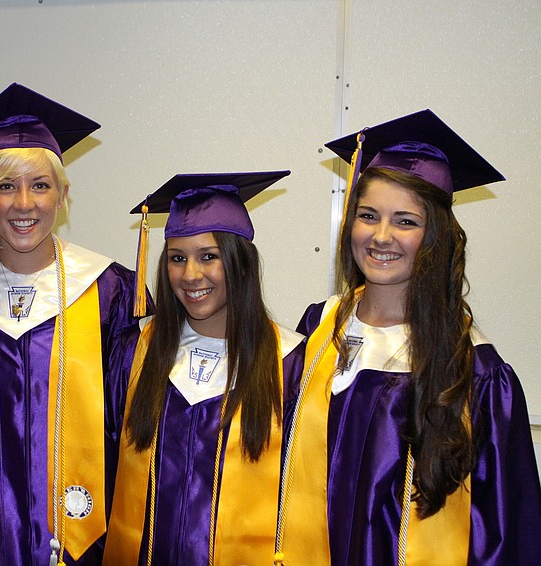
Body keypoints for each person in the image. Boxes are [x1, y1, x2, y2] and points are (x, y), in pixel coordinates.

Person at [275, 109, 541, 565]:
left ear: (435, 237)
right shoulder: (317, 331)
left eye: (405, 221)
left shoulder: (476, 371)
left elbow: (506, 532)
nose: (381, 236)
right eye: (367, 215)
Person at [0, 83, 147, 566]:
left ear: (63, 195)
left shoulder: (110, 292)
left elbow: (132, 428)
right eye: (5, 186)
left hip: (80, 535)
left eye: (40, 185)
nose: (23, 203)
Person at [102, 172, 306, 565]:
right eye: (178, 258)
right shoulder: (136, 354)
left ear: (239, 263)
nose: (191, 275)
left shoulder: (288, 365)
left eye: (208, 256)